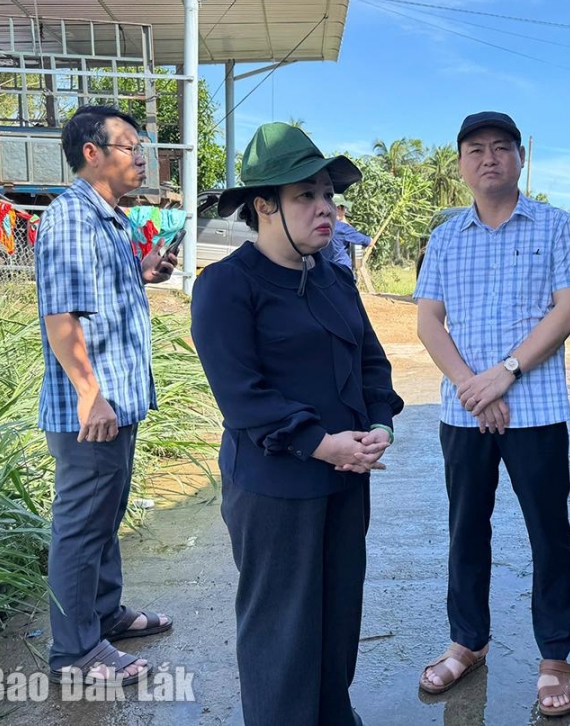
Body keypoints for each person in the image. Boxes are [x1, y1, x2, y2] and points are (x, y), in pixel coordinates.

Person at [190, 122, 404, 726]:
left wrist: (380, 424)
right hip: (275, 489)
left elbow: (371, 362)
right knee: (280, 632)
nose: (325, 209)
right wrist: (320, 442)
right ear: (264, 206)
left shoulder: (334, 279)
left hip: (345, 481)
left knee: (338, 618)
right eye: (305, 195)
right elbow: (242, 396)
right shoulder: (227, 287)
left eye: (328, 195)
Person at [414, 111, 570, 717]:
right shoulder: (445, 236)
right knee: (467, 530)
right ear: (462, 163)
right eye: (475, 150)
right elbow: (428, 320)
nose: (488, 158)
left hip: (537, 411)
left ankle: (555, 657)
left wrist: (504, 374)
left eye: (500, 147)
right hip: (464, 414)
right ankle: (467, 642)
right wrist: (472, 386)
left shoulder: (555, 225)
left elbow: (569, 309)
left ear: (520, 157)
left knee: (549, 533)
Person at [36, 105, 177, 685]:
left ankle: (104, 615)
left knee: (105, 512)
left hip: (116, 402)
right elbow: (60, 317)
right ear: (92, 153)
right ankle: (75, 653)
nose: (141, 156)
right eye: (128, 145)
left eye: (141, 145)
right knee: (81, 524)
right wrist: (91, 396)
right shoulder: (72, 218)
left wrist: (143, 270)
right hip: (90, 409)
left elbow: (99, 295)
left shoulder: (109, 220)